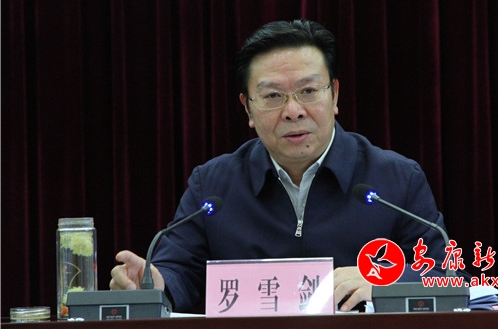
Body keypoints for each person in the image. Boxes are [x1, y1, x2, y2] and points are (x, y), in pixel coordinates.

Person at [110, 19, 453, 313]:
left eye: (308, 90)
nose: (293, 111)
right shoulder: (212, 186)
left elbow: (446, 277)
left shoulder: (395, 179)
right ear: (247, 108)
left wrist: (385, 280)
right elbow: (179, 271)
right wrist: (156, 282)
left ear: (334, 94)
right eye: (273, 96)